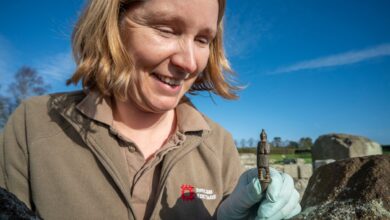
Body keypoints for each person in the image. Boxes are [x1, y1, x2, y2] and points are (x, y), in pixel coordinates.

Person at [0, 0, 301, 219]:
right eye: (167, 30)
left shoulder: (219, 144)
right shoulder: (32, 125)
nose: (189, 62)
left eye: (202, 40)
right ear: (113, 26)